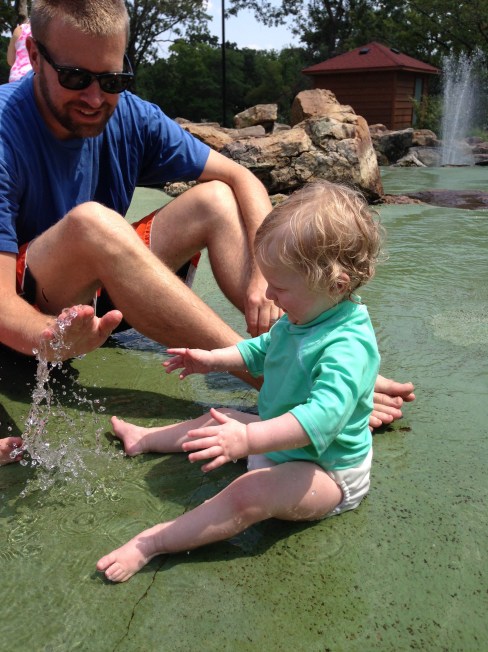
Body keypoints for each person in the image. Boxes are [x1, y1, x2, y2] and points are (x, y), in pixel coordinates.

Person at [0, 0, 413, 462]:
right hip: (34, 319)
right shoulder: (4, 130)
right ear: (34, 56)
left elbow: (243, 180)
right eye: (76, 78)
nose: (96, 98)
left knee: (215, 198)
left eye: (113, 81)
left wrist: (261, 274)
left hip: (100, 304)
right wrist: (47, 338)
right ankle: (278, 375)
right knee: (93, 222)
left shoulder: (131, 116)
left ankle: (308, 340)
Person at [97, 180, 387, 582]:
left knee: (249, 494)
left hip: (326, 471)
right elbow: (264, 348)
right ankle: (144, 439)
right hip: (280, 440)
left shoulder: (348, 346)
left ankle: (152, 543)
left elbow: (322, 419)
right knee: (221, 418)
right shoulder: (309, 313)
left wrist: (248, 441)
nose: (269, 293)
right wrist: (212, 359)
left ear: (335, 284)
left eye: (280, 286)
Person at [7, 18, 33, 82]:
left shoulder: (20, 29)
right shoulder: (52, 29)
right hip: (39, 78)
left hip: (16, 77)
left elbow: (10, 60)